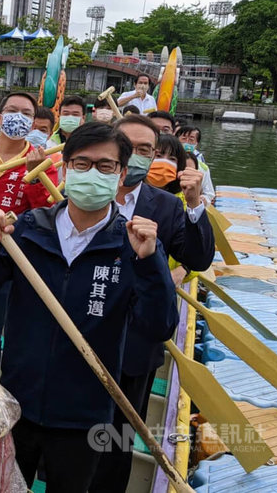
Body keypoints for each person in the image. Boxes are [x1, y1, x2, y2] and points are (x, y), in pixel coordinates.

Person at [0, 122, 178, 492]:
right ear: (64, 170)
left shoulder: (133, 244)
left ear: (122, 174)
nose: (92, 173)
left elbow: (158, 327)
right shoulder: (30, 229)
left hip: (87, 414)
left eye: (105, 166)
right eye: (81, 163)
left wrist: (151, 264)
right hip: (17, 401)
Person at [90, 114, 215, 493]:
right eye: (129, 145)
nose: (137, 155)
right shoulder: (83, 190)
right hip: (81, 332)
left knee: (118, 436)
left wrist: (194, 204)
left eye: (147, 149)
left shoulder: (166, 205)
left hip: (137, 340)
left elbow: (197, 258)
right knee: (72, 429)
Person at [0, 92, 60, 378]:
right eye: (12, 110)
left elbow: (47, 214)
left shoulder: (44, 161)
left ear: (34, 124)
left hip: (6, 254)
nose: (18, 117)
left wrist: (34, 175)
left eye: (26, 113)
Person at [176, 125, 215, 205]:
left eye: (191, 139)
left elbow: (209, 194)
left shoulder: (203, 167)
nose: (186, 142)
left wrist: (201, 200)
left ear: (196, 143)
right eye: (183, 139)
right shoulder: (169, 162)